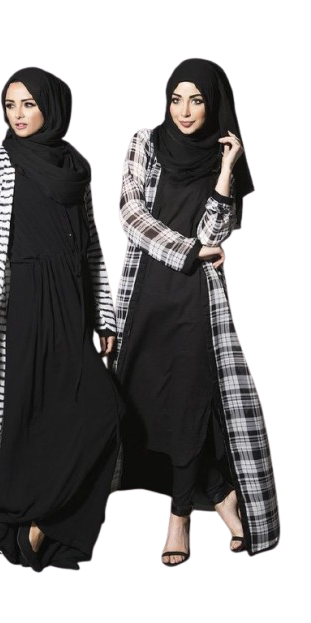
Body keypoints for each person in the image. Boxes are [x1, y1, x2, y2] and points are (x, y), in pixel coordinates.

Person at [0, 66, 124, 573]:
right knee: (24, 419)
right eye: (10, 105)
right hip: (20, 302)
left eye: (29, 104)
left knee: (101, 413)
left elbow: (93, 246)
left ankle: (43, 523)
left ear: (51, 107)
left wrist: (104, 318)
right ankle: (14, 522)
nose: (17, 115)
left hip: (71, 301)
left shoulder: (78, 165)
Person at [111, 57, 280, 565]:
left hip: (196, 299)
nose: (184, 111)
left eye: (198, 100)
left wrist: (226, 171)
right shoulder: (144, 142)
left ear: (214, 105)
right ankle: (221, 494)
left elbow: (214, 234)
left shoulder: (220, 156)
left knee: (188, 404)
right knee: (143, 406)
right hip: (145, 293)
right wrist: (188, 250)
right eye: (176, 99)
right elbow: (130, 214)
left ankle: (179, 516)